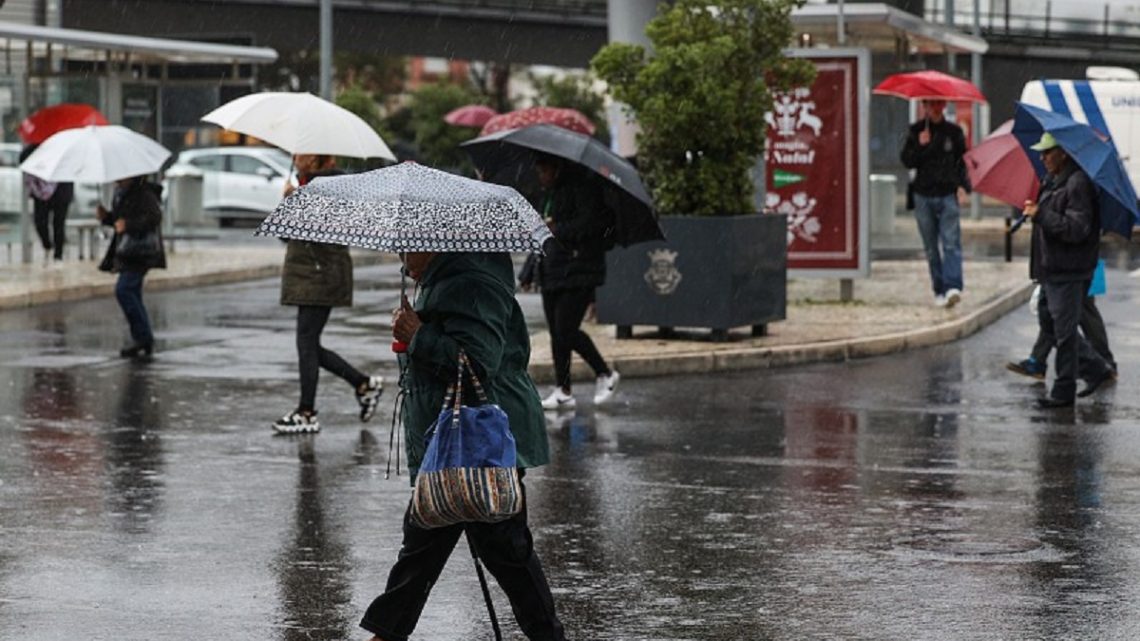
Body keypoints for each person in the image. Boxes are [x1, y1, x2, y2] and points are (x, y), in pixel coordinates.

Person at [361, 250, 565, 641]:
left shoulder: (474, 283)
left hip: (478, 441)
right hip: (450, 440)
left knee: (503, 549)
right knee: (424, 546)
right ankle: (385, 636)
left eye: (408, 247)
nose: (403, 257)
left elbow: (476, 362)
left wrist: (418, 335)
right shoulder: (444, 278)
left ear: (435, 243)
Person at [273, 154, 382, 434]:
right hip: (312, 273)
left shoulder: (333, 184)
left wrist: (295, 199)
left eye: (303, 155)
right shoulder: (307, 185)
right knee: (309, 344)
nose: (297, 159)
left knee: (307, 342)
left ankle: (307, 411)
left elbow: (323, 229)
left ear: (318, 159)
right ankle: (362, 384)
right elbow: (287, 235)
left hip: (321, 273)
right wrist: (290, 199)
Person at [1022, 132, 1115, 408]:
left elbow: (1076, 229)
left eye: (1048, 152)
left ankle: (1064, 391)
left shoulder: (1078, 183)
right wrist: (1036, 211)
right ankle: (1096, 368)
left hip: (1069, 270)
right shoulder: (1053, 180)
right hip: (1050, 269)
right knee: (1051, 323)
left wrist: (1042, 215)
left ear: (1064, 152)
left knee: (1064, 332)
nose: (1042, 158)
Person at [519, 154, 619, 411]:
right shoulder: (548, 194)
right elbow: (542, 234)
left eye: (544, 171)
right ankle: (563, 390)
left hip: (579, 269)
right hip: (552, 270)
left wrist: (558, 227)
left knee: (566, 330)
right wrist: (529, 271)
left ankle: (605, 373)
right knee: (557, 333)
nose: (540, 176)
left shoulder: (582, 189)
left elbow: (589, 225)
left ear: (556, 167)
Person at [900, 98, 971, 308]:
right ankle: (938, 288)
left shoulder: (954, 132)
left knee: (951, 243)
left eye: (938, 104)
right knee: (931, 247)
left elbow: (961, 162)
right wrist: (921, 146)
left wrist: (963, 187)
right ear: (924, 106)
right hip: (923, 195)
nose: (935, 108)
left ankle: (952, 286)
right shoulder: (916, 131)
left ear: (943, 106)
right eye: (930, 104)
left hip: (947, 194)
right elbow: (907, 161)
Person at [96, 175, 165, 359]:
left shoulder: (143, 193)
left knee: (124, 290)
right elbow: (120, 220)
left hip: (140, 251)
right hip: (128, 251)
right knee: (131, 292)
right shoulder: (121, 194)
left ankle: (143, 337)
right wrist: (107, 218)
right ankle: (142, 338)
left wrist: (129, 225)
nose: (118, 180)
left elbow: (154, 217)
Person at [1006, 290, 1116, 380]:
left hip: (1072, 271)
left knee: (1073, 311)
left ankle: (1102, 364)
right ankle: (1037, 360)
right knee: (1055, 314)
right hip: (1067, 271)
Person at [21, 143, 75, 264]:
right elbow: (23, 160)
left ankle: (58, 256)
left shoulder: (64, 145)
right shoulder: (35, 146)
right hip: (40, 190)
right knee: (40, 222)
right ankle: (48, 245)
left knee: (59, 224)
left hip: (62, 190)